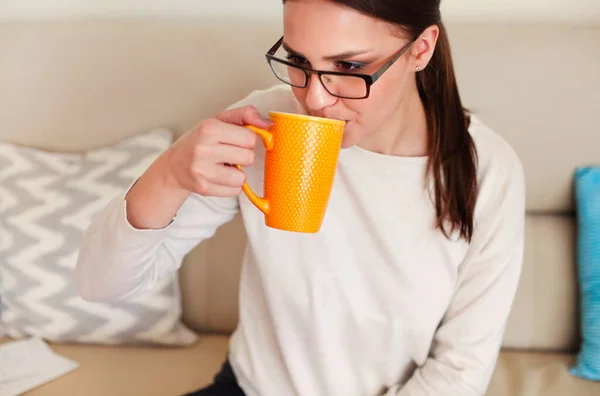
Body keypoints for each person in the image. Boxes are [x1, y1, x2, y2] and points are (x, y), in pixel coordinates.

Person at [75, 0, 526, 395]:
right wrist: (169, 173)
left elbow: (460, 371)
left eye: (348, 68)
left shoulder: (488, 170)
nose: (314, 98)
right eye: (298, 60)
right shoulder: (269, 129)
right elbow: (100, 286)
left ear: (420, 50)